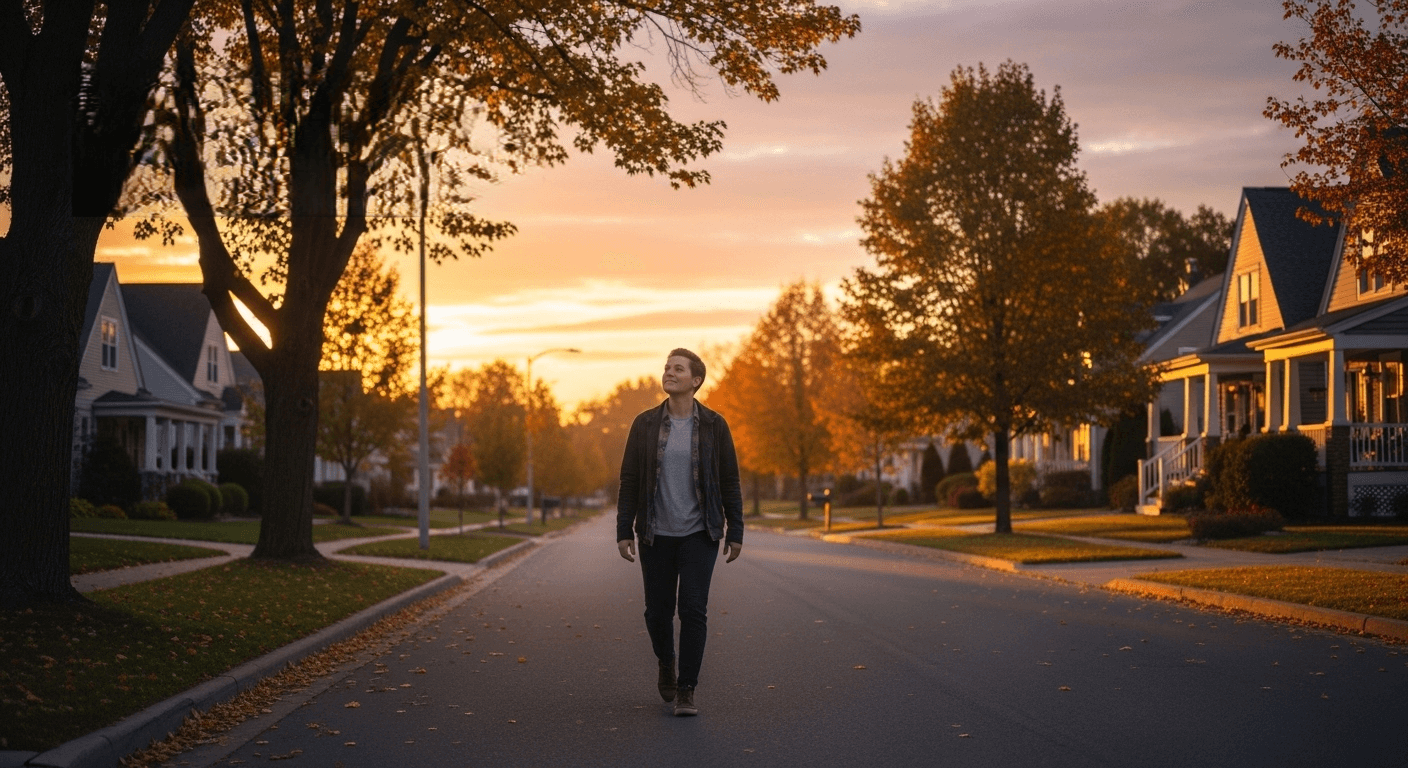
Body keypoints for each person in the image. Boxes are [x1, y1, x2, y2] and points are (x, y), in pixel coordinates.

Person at [617, 348, 743, 717]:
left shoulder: (715, 425)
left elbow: (729, 479)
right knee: (657, 613)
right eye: (667, 368)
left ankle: (686, 689)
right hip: (656, 533)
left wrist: (735, 530)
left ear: (696, 380)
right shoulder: (644, 424)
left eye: (678, 369)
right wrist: (624, 529)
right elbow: (630, 479)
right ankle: (666, 662)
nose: (669, 373)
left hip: (699, 533)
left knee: (693, 610)